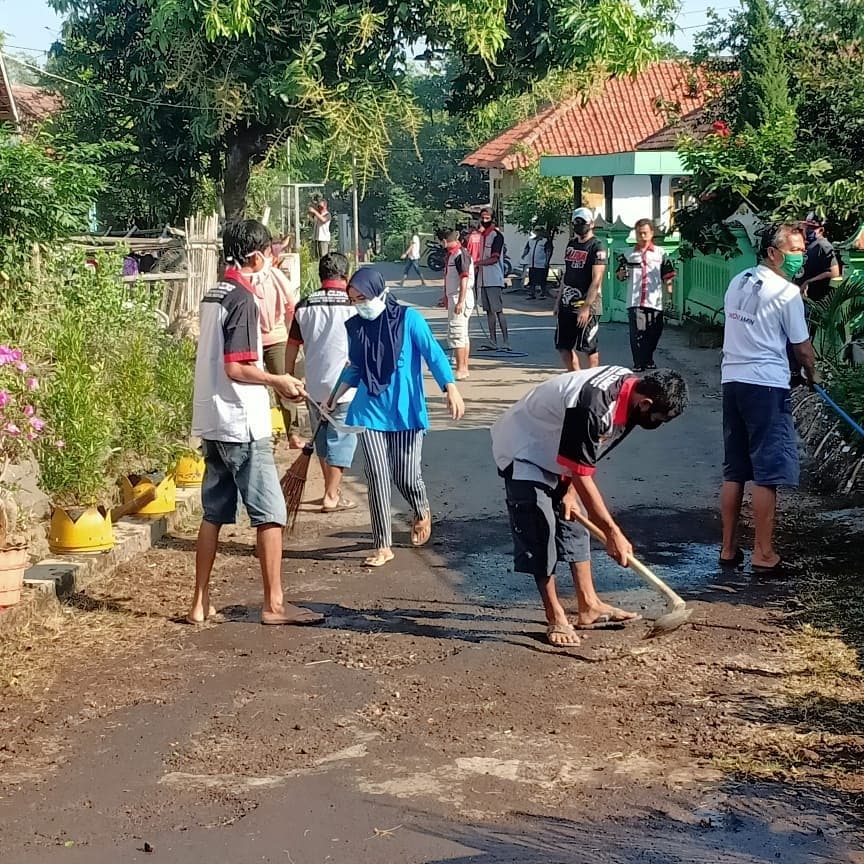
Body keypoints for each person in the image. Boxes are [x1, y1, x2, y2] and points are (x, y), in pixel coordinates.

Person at [492, 366, 688, 647]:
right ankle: (555, 615)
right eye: (659, 418)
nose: (659, 425)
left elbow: (588, 454)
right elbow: (583, 465)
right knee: (540, 529)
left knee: (575, 522)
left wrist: (569, 488)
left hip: (558, 448)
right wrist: (612, 531)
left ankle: (589, 605)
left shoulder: (631, 395)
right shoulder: (593, 406)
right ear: (646, 403)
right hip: (524, 448)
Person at [189, 219, 323, 627]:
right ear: (258, 256)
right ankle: (274, 605)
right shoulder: (244, 298)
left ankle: (199, 603)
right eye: (270, 254)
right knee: (270, 513)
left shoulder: (214, 293)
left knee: (213, 513)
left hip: (211, 419)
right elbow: (238, 366)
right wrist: (278, 379)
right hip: (242, 422)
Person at [327, 269, 465, 568]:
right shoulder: (356, 327)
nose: (359, 305)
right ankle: (382, 545)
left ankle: (421, 508)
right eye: (353, 300)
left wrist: (450, 388)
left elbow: (434, 354)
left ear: (378, 291)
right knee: (376, 477)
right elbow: (355, 367)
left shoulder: (409, 319)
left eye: (362, 298)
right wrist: (335, 394)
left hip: (406, 410)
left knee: (406, 476)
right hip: (370, 410)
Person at [720, 222, 820, 578]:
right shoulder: (786, 293)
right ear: (772, 252)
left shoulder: (739, 281)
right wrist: (813, 374)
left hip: (733, 380)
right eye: (793, 250)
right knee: (767, 473)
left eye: (801, 250)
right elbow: (802, 348)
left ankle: (729, 548)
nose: (800, 256)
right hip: (766, 386)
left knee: (735, 470)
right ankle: (764, 553)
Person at [286, 252, 358, 513]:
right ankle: (330, 495)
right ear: (345, 275)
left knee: (325, 442)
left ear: (321, 275)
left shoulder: (304, 305)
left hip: (314, 387)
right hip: (346, 386)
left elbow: (292, 345)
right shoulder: (354, 304)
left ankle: (332, 491)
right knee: (341, 439)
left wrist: (288, 377)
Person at [249, 242, 306, 450]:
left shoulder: (276, 276)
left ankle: (293, 432)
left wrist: (292, 335)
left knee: (286, 386)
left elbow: (292, 305)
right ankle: (258, 434)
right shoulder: (245, 278)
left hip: (276, 339)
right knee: (252, 389)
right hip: (250, 341)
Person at [616, 218, 676, 371]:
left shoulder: (661, 254)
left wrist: (669, 297)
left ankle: (648, 358)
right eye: (639, 233)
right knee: (637, 334)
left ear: (651, 234)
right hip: (635, 301)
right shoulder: (627, 254)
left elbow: (667, 277)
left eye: (645, 233)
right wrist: (621, 274)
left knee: (654, 332)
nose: (642, 237)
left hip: (654, 301)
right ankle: (638, 362)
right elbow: (620, 275)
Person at [555, 208, 607, 371]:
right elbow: (567, 273)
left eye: (582, 222)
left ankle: (591, 381)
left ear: (591, 224)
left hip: (588, 303)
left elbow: (597, 278)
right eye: (576, 222)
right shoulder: (571, 244)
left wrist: (586, 307)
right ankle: (575, 378)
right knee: (563, 346)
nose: (579, 225)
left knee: (588, 347)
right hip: (567, 302)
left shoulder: (597, 247)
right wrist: (558, 301)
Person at [476, 207, 511, 351]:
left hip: (494, 279)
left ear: (492, 219)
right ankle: (493, 340)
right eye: (482, 218)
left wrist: (477, 263)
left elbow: (494, 259)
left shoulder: (497, 236)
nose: (484, 220)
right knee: (489, 311)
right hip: (482, 279)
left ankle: (506, 342)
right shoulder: (481, 236)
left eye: (487, 218)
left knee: (498, 311)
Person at [443, 229, 475, 380]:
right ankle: (463, 366)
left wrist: (461, 301)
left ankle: (461, 368)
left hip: (460, 297)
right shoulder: (453, 254)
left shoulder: (459, 254)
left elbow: (464, 278)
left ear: (444, 241)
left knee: (457, 333)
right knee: (462, 334)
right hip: (455, 297)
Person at [799, 212, 840, 302]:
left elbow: (834, 272)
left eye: (812, 228)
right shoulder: (805, 244)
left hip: (815, 298)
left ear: (821, 230)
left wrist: (809, 281)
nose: (808, 230)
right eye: (807, 227)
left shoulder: (824, 246)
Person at [521, 226, 553, 300]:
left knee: (542, 280)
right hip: (532, 264)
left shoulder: (545, 241)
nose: (537, 232)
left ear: (542, 232)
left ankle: (543, 294)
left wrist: (547, 261)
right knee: (532, 279)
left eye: (538, 230)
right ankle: (532, 293)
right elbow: (527, 248)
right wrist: (524, 255)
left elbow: (548, 251)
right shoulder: (531, 241)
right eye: (535, 230)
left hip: (541, 264)